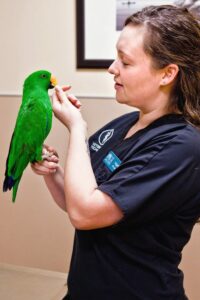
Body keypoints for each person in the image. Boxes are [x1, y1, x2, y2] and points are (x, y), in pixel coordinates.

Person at [31, 5, 200, 300]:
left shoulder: (181, 146)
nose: (112, 68)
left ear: (167, 73)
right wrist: (52, 171)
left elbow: (86, 213)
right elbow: (79, 201)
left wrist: (77, 128)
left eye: (126, 61)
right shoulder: (125, 124)